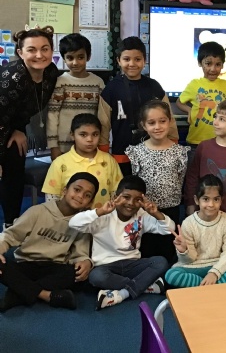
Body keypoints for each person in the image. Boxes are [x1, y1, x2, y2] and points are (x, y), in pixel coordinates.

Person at [68, 175, 173, 310]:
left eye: (137, 200)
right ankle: (145, 286)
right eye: (126, 197)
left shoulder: (142, 215)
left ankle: (123, 293)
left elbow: (169, 229)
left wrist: (155, 213)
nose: (130, 203)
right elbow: (73, 223)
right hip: (107, 267)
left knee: (160, 262)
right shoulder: (104, 216)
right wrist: (100, 211)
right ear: (115, 196)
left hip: (132, 265)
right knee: (96, 276)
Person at [0, 172, 98, 311]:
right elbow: (9, 235)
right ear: (64, 190)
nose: (80, 196)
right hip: (26, 264)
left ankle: (17, 294)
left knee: (75, 275)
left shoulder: (83, 223)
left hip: (54, 267)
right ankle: (46, 295)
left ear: (90, 202)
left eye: (87, 195)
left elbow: (80, 253)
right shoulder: (37, 211)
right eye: (77, 189)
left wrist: (86, 262)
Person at [0, 26, 59, 228]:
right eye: (32, 50)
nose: (39, 55)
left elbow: (22, 109)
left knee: (15, 165)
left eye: (45, 49)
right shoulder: (13, 78)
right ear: (20, 52)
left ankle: (11, 222)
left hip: (11, 124)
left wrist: (18, 128)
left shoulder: (50, 73)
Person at [98, 36, 178, 176]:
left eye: (137, 59)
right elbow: (103, 123)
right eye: (126, 59)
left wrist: (172, 145)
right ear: (118, 60)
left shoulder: (154, 87)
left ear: (144, 61)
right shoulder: (111, 89)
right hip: (122, 155)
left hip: (154, 154)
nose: (132, 64)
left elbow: (169, 118)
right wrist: (103, 153)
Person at [126, 100, 189, 263]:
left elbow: (181, 178)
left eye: (162, 121)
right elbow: (134, 181)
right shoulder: (136, 152)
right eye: (151, 123)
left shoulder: (179, 152)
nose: (158, 127)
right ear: (143, 125)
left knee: (167, 250)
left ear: (170, 121)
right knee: (145, 249)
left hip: (171, 210)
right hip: (143, 211)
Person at [165, 175, 226, 287]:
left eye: (216, 199)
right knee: (171, 275)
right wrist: (184, 250)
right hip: (194, 267)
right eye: (206, 199)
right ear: (196, 200)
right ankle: (211, 286)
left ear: (221, 200)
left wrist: (214, 273)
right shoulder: (188, 223)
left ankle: (203, 286)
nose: (211, 204)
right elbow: (189, 260)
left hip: (218, 265)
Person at [185, 99, 226, 223]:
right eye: (215, 117)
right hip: (202, 212)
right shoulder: (203, 147)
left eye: (222, 119)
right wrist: (190, 203)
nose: (215, 122)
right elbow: (192, 177)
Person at [42, 113, 123, 208]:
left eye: (95, 134)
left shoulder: (109, 161)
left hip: (103, 216)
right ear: (72, 135)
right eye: (83, 135)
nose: (90, 139)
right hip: (70, 217)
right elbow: (51, 198)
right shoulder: (60, 163)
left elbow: (116, 193)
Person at [46, 33, 105, 161]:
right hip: (64, 147)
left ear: (88, 56)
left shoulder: (98, 83)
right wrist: (53, 146)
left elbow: (102, 116)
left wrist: (101, 142)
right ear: (63, 58)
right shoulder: (60, 83)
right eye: (70, 58)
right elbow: (52, 115)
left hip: (90, 145)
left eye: (80, 57)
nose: (75, 62)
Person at [176, 41, 226, 148]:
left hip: (219, 140)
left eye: (218, 64)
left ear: (222, 65)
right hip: (196, 141)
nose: (213, 69)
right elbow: (179, 102)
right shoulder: (194, 84)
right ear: (200, 63)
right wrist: (189, 110)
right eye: (208, 64)